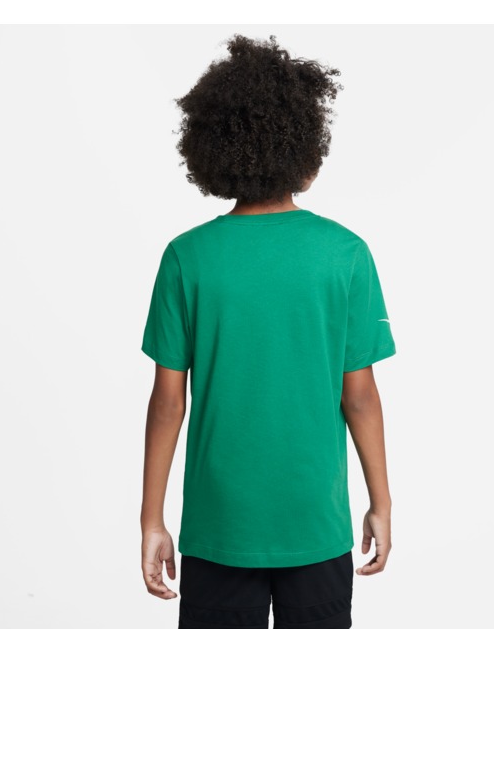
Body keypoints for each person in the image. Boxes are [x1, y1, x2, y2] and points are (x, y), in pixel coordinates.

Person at [140, 34, 396, 629]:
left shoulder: (187, 257)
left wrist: (152, 519)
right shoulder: (345, 254)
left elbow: (168, 403)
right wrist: (380, 502)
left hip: (218, 526)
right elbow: (359, 395)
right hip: (316, 521)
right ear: (305, 148)